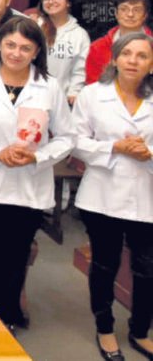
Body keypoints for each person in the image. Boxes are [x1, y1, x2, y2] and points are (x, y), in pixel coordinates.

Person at [0, 16, 74, 331]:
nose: (16, 53)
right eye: (10, 44)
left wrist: (38, 156)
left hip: (29, 187)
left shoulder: (49, 86)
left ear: (37, 51)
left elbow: (67, 136)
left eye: (26, 47)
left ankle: (7, 317)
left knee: (16, 255)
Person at [72, 33, 153, 360]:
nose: (134, 61)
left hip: (146, 196)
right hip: (101, 196)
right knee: (105, 265)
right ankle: (105, 328)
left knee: (147, 268)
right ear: (115, 58)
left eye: (142, 55)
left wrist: (148, 153)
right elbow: (75, 141)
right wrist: (114, 147)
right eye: (127, 54)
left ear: (151, 64)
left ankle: (140, 330)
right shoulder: (92, 95)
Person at [36, 0, 90, 105]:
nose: (51, 2)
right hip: (34, 96)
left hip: (63, 100)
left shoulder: (80, 35)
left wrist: (74, 91)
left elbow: (80, 67)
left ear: (68, 2)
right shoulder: (35, 28)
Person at [84, 0, 151, 84]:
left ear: (145, 15)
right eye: (124, 9)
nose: (130, 14)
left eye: (136, 10)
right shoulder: (98, 48)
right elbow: (93, 86)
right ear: (116, 13)